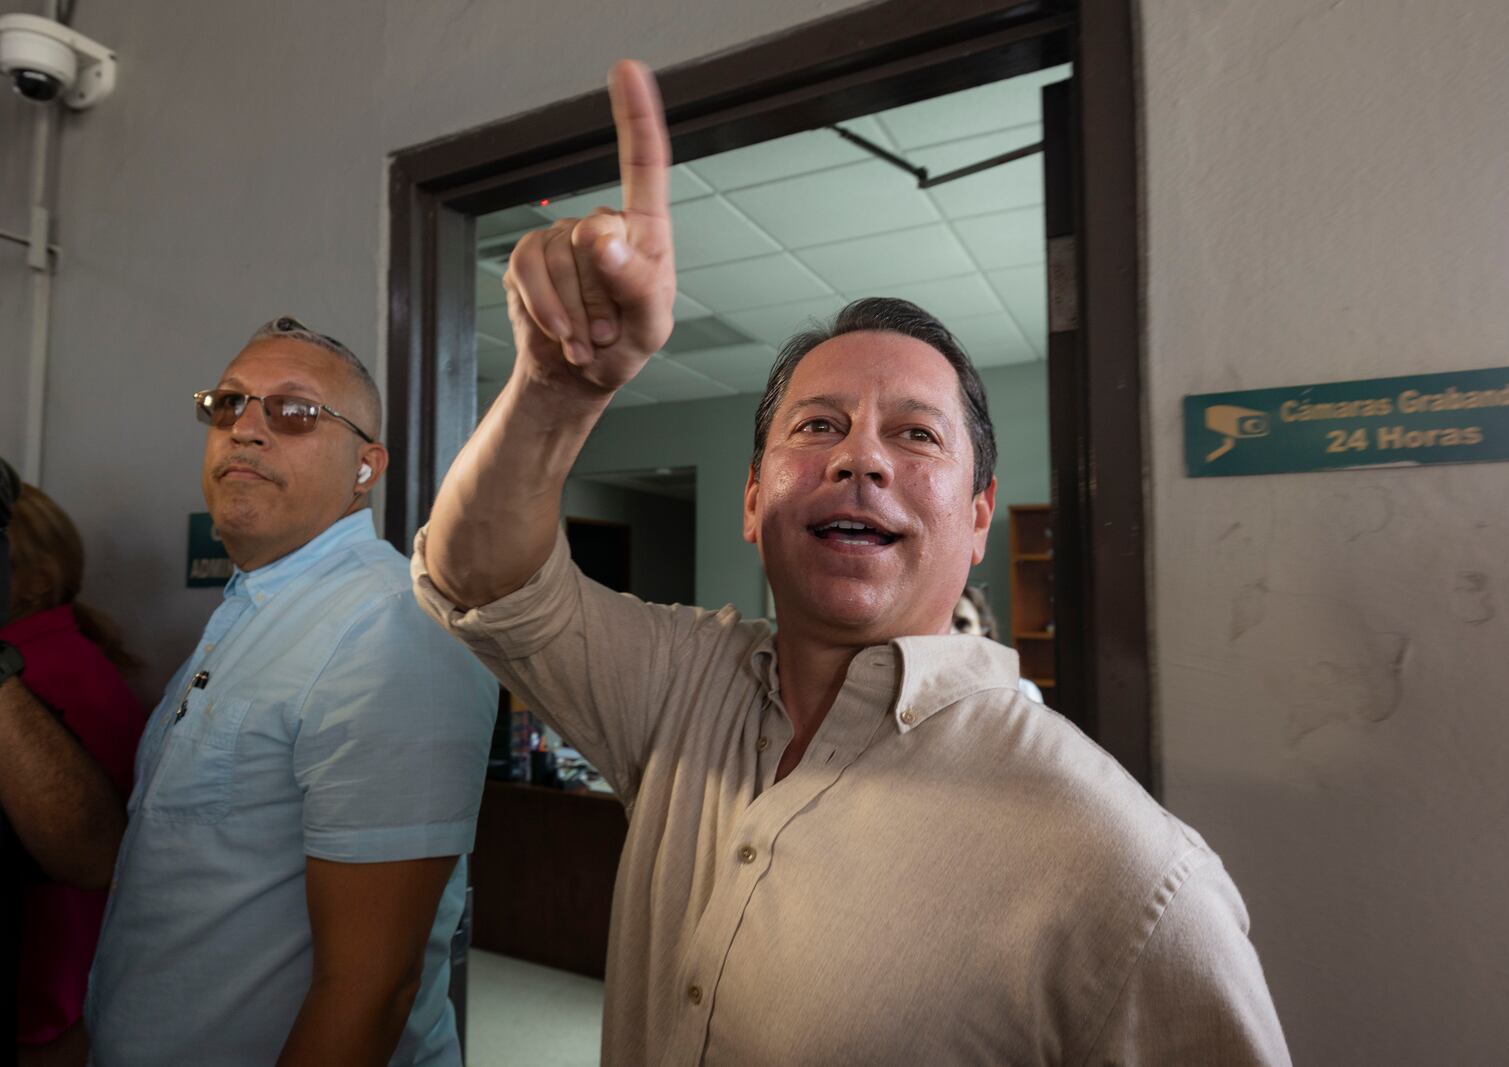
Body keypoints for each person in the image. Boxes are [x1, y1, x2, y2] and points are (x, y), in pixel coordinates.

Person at [415, 61, 1290, 1065]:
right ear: (752, 501)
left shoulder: (1127, 875)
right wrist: (553, 390)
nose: (858, 455)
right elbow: (482, 581)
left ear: (976, 517)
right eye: (818, 424)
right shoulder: (679, 688)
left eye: (914, 436)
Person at [84, 318, 499, 1066]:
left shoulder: (390, 626)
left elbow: (371, 990)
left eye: (294, 411)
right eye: (228, 404)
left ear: (366, 467)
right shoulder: (251, 610)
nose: (244, 428)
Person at [3, 484, 147, 1066]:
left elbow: (86, 862)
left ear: (35, 580)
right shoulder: (69, 656)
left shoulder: (42, 675)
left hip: (45, 1000)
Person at [950, 583, 1044, 702]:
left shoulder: (1022, 693)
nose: (951, 633)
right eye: (943, 625)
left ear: (983, 632)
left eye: (962, 624)